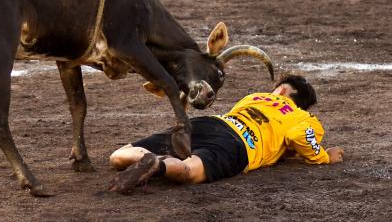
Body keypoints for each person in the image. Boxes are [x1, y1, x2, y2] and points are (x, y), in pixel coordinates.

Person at [108, 74, 344, 194]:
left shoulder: (254, 97)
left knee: (119, 155)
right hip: (240, 143)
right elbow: (298, 136)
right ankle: (159, 167)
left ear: (280, 90)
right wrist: (323, 156)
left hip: (212, 123)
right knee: (190, 171)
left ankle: (141, 158)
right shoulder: (302, 117)